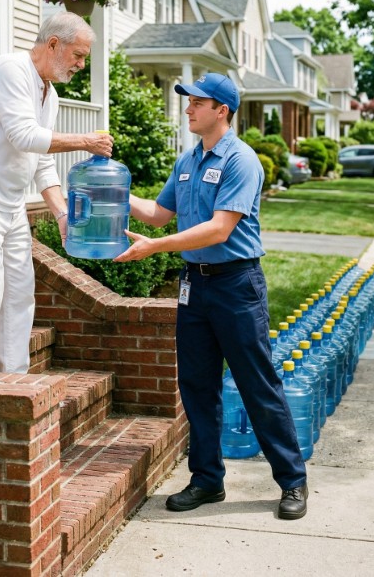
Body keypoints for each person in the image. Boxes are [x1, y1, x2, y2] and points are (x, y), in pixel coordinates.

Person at [114, 72, 308, 520]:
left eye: (196, 102)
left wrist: (153, 248)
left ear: (221, 110)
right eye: (188, 101)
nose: (187, 108)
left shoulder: (242, 161)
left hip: (236, 285)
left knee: (257, 384)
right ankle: (206, 480)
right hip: (194, 287)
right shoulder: (187, 161)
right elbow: (160, 214)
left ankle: (293, 482)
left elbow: (220, 228)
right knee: (197, 386)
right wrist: (109, 189)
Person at [0, 12, 113, 374]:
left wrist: (62, 213)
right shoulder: (10, 70)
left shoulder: (51, 96)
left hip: (10, 203)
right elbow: (24, 136)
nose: (81, 64)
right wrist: (85, 142)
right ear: (53, 44)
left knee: (18, 293)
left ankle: (14, 380)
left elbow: (41, 160)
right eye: (78, 55)